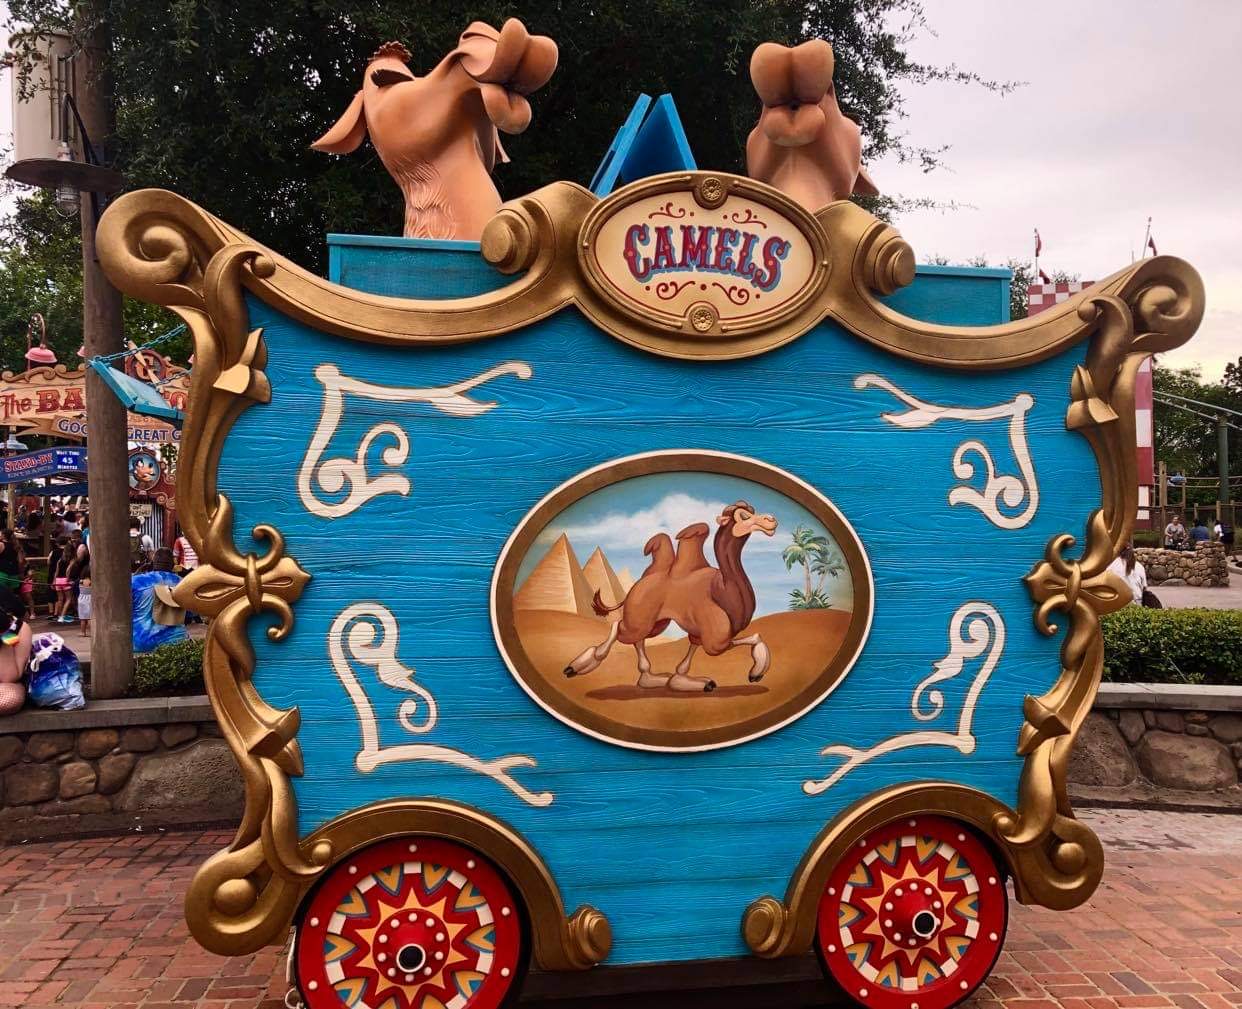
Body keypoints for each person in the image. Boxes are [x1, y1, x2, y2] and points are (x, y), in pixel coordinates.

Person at [131, 547, 188, 653]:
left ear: (153, 563)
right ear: (173, 566)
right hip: (176, 641)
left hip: (141, 642)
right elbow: (189, 614)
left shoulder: (136, 582)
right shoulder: (184, 584)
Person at [0, 584, 32, 715]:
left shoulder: (18, 629)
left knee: (8, 699)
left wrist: (3, 637)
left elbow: (9, 677)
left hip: (5, 686)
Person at [50, 538, 76, 624]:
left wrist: (54, 581)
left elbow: (56, 572)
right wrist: (68, 579)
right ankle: (62, 616)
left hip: (58, 580)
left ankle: (59, 616)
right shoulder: (72, 559)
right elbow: (68, 570)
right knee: (68, 599)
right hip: (65, 580)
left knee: (60, 599)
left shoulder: (60, 560)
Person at [75, 557, 92, 636]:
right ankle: (92, 632)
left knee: (83, 618)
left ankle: (83, 632)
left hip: (81, 600)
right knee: (90, 617)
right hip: (90, 599)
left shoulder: (80, 581)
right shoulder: (92, 582)